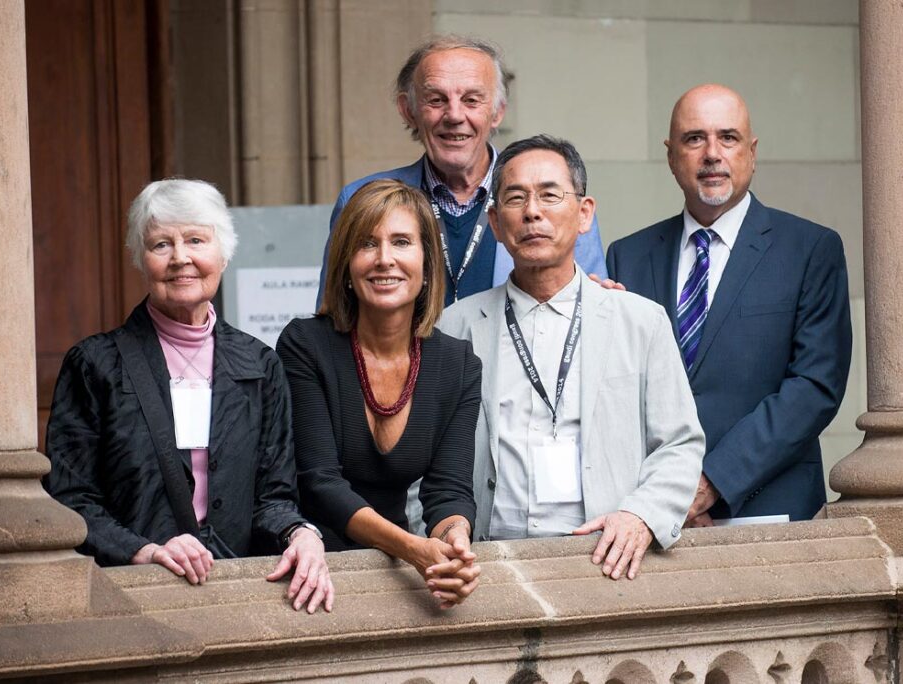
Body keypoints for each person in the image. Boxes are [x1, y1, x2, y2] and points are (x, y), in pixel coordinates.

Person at [44, 179, 333, 613]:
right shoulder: (94, 365)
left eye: (196, 240)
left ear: (223, 252)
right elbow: (70, 499)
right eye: (161, 244)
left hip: (238, 598)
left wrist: (302, 533)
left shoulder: (260, 365)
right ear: (141, 259)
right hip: (134, 597)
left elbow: (274, 498)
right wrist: (142, 550)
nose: (181, 258)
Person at [439, 135, 704, 580]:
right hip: (488, 561)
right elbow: (425, 455)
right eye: (516, 198)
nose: (532, 212)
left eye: (549, 195)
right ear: (495, 223)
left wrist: (640, 516)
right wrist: (440, 532)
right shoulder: (456, 327)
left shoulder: (640, 322)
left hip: (606, 559)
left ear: (584, 214)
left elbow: (679, 444)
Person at [607, 84, 852, 525]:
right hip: (653, 518)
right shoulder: (628, 256)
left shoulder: (810, 249)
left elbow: (815, 387)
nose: (712, 154)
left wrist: (709, 485)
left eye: (728, 137)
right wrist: (663, 496)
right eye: (694, 138)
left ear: (752, 153)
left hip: (770, 510)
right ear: (670, 154)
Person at [277, 179, 482, 609]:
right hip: (308, 572)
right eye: (367, 244)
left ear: (427, 264)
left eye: (402, 242)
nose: (384, 259)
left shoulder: (458, 364)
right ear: (347, 266)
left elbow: (448, 490)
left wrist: (454, 542)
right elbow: (320, 484)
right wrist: (413, 550)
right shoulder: (305, 345)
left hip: (395, 575)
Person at [315, 35, 607, 308]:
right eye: (436, 100)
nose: (454, 116)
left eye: (471, 100)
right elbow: (334, 319)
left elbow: (585, 313)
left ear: (498, 111)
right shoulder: (359, 200)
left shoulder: (560, 203)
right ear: (408, 110)